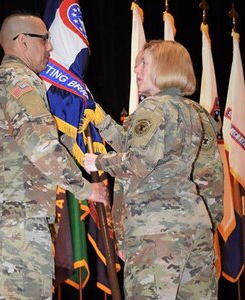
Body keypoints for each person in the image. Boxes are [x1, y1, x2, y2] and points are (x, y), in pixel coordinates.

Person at [0, 11, 108, 299]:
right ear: (23, 42)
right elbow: (40, 145)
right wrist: (85, 189)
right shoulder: (21, 82)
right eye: (45, 40)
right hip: (17, 224)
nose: (50, 47)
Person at [83, 40, 224, 299]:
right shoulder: (195, 113)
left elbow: (137, 163)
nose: (136, 70)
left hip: (155, 231)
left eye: (143, 63)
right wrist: (101, 120)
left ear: (164, 66)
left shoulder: (152, 109)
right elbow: (209, 176)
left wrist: (99, 162)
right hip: (195, 225)